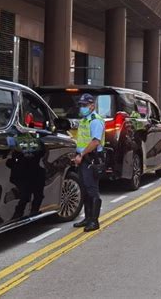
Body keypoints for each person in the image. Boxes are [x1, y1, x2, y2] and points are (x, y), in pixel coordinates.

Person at [72, 93, 105, 232]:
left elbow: (95, 141)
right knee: (84, 189)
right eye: (81, 105)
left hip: (91, 158)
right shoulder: (85, 120)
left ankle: (94, 221)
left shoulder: (95, 120)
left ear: (92, 106)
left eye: (85, 105)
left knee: (92, 190)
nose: (82, 108)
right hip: (83, 158)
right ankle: (87, 218)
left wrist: (81, 154)